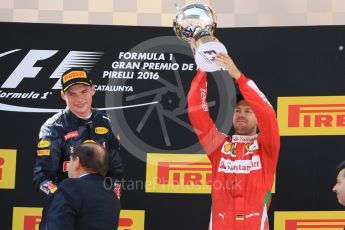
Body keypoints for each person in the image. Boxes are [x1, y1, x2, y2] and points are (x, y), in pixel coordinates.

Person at [187, 52, 280, 230]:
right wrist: (202, 68)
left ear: (257, 116)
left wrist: (238, 76)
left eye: (248, 111)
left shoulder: (267, 146)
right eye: (237, 111)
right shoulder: (219, 146)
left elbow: (268, 114)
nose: (241, 115)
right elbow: (196, 111)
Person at [33, 69, 124, 229]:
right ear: (63, 95)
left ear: (93, 90)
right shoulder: (53, 127)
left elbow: (115, 172)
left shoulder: (108, 123)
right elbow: (42, 178)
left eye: (84, 91)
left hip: (98, 209)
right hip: (63, 207)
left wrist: (111, 196)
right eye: (72, 94)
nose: (79, 99)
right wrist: (63, 196)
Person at [46, 142, 120, 229]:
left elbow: (57, 226)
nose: (69, 166)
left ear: (77, 162)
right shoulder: (112, 195)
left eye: (71, 161)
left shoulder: (70, 186)